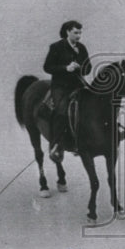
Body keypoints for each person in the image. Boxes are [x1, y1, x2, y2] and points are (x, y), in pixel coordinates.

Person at [42, 20, 92, 155]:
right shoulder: (56, 47)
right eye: (76, 33)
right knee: (62, 111)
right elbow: (47, 67)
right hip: (61, 87)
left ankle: (85, 141)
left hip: (79, 86)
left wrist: (81, 67)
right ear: (67, 32)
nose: (79, 36)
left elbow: (89, 68)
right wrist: (66, 68)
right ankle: (56, 144)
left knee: (92, 107)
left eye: (80, 33)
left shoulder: (82, 48)